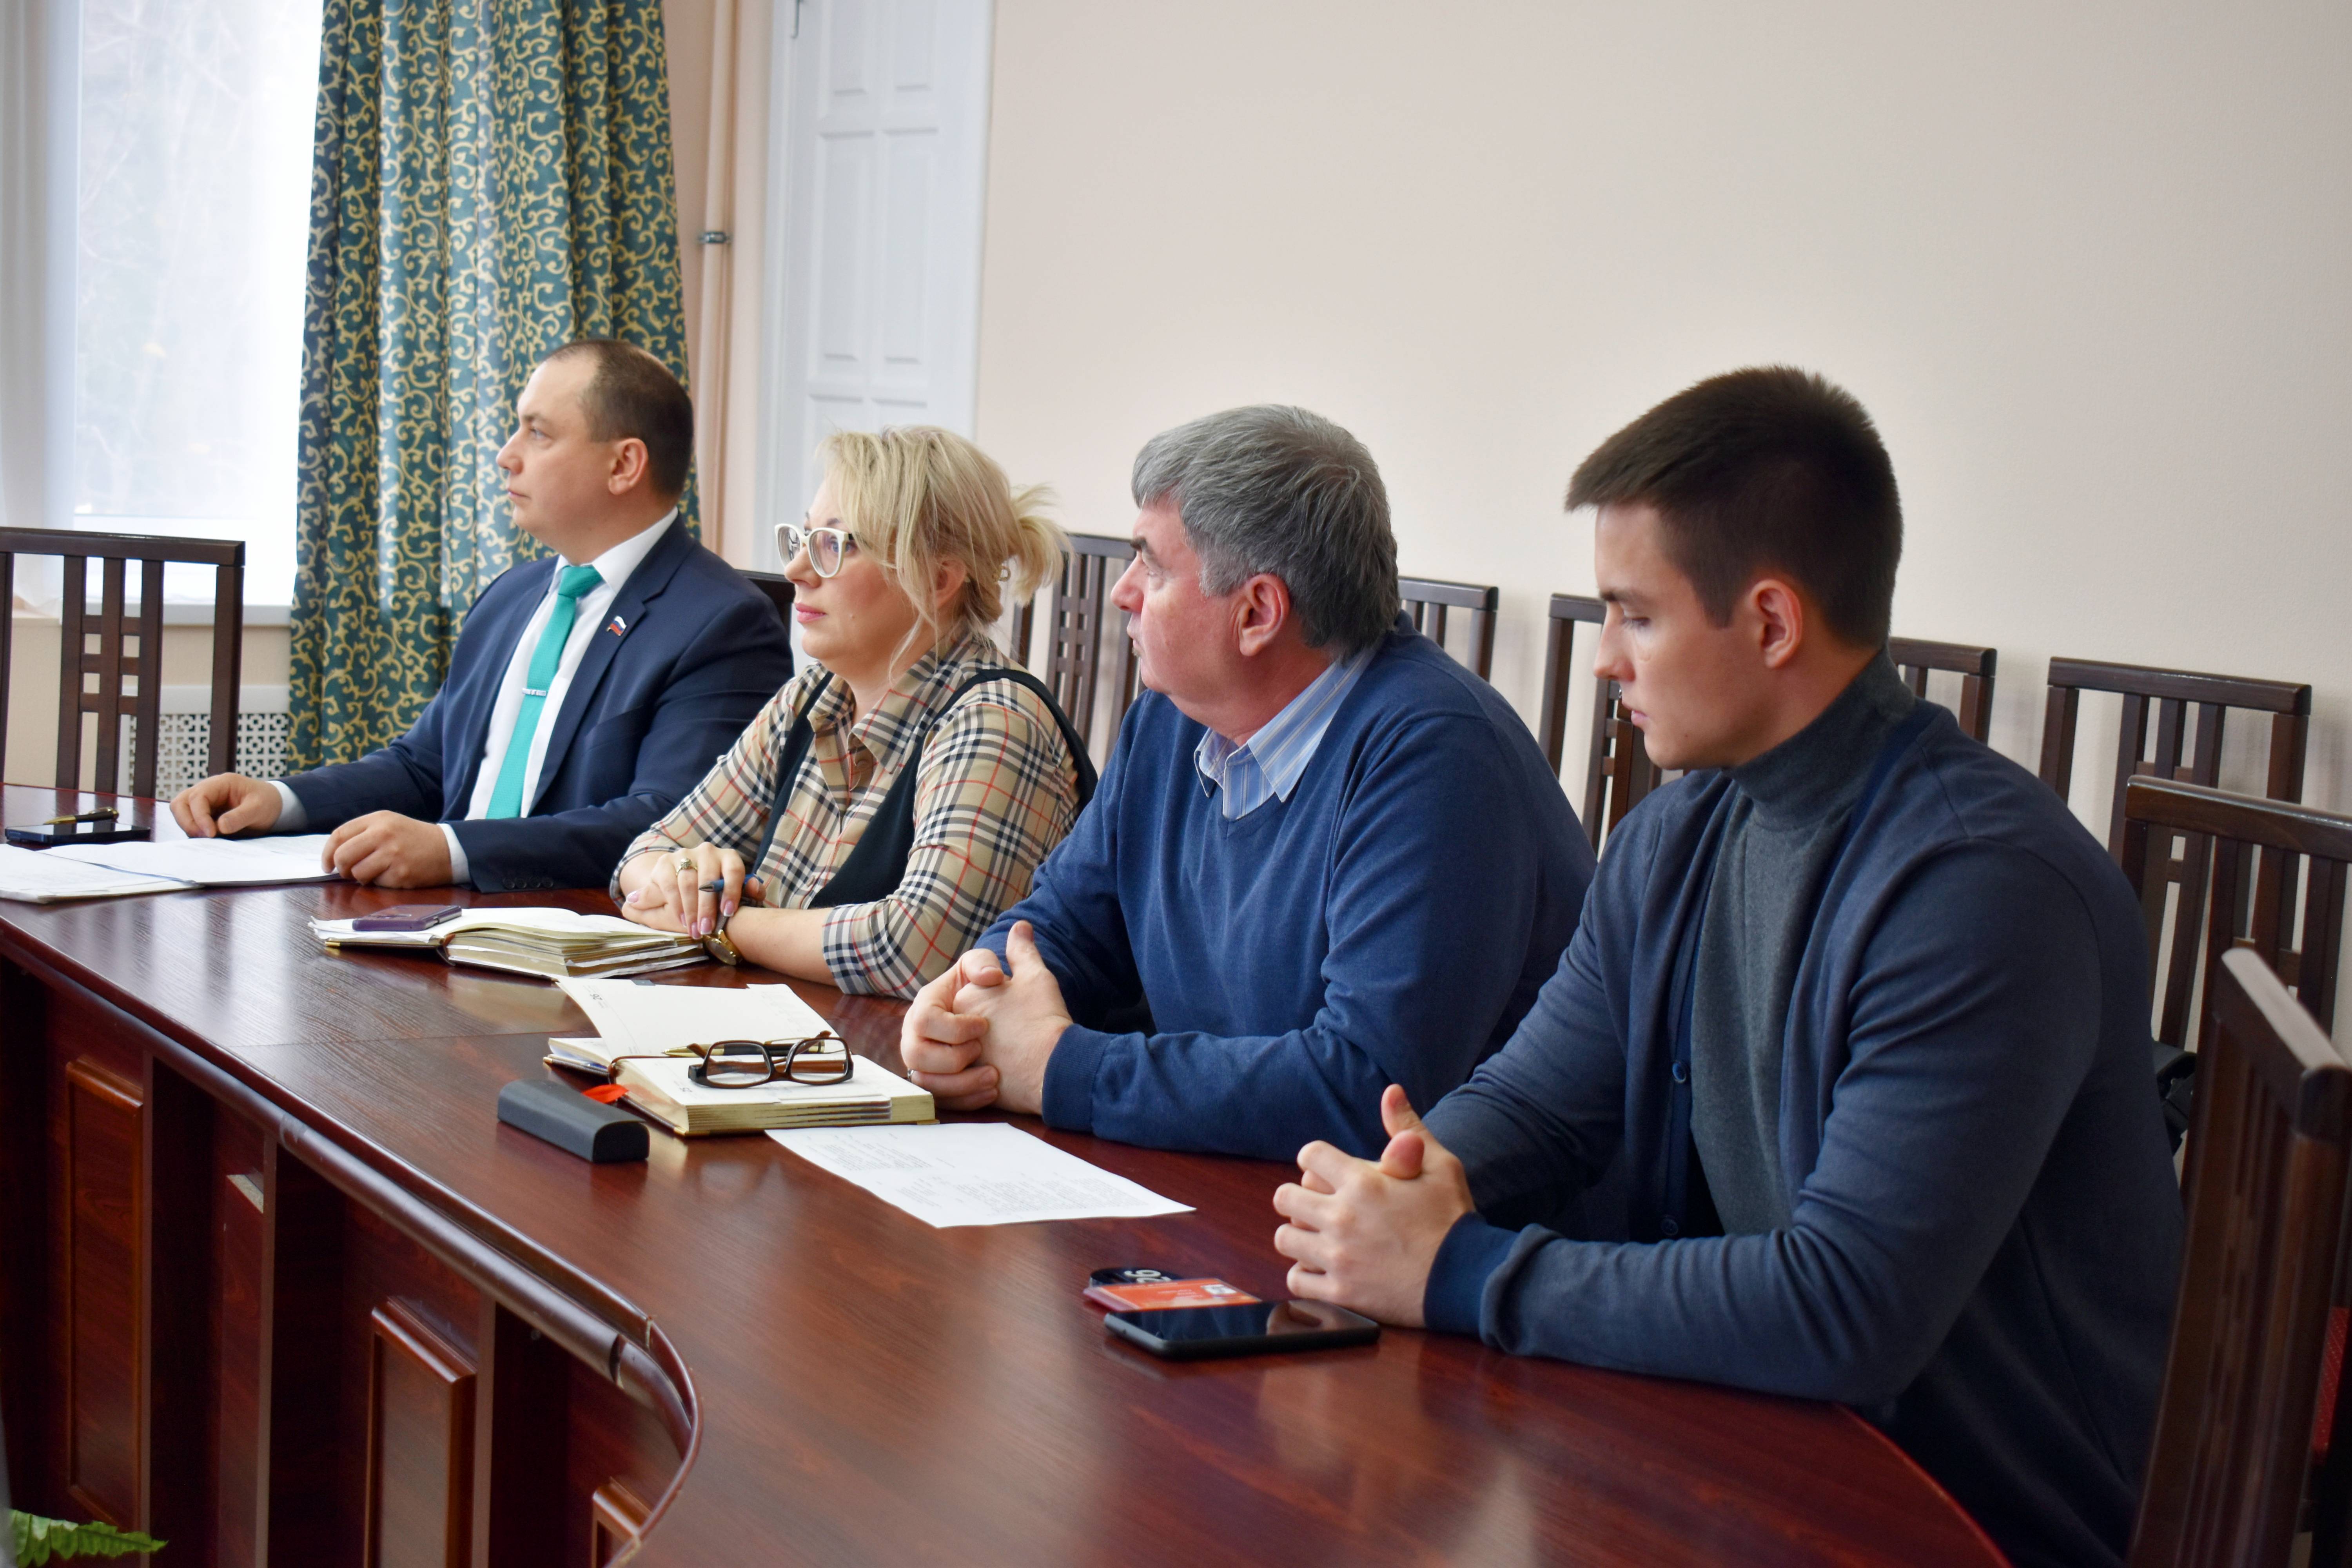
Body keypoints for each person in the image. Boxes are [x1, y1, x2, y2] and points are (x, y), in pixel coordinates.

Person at [1268, 368, 2183, 1568]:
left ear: (1771, 623)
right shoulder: (1680, 832)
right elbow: (1540, 1100)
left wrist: (1456, 1269)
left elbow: (1845, 1309)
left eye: (1634, 615)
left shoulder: (1980, 888)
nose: (1605, 659)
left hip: (1972, 1517)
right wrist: (1413, 1181)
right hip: (1748, 1449)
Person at [899, 405, 1596, 1160]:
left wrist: (1062, 1070)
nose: (1122, 592)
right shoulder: (1172, 719)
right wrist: (975, 1001)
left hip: (1438, 1221)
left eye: (1152, 567)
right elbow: (1065, 927)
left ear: (1258, 611)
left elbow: (1368, 1088)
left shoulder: (1438, 756)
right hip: (1232, 1181)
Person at [170, 340, 794, 893]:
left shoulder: (724, 625)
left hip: (568, 940)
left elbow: (668, 824)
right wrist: (281, 800)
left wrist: (453, 851)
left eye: (538, 434)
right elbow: (425, 766)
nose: (505, 455)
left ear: (623, 465)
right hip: (442, 925)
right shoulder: (511, 595)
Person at [610, 427, 1090, 999]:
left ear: (938, 579)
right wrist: (686, 880)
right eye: (802, 538)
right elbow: (643, 857)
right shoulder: (811, 697)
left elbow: (915, 950)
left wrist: (717, 922)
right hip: (792, 1040)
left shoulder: (997, 721)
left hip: (891, 1057)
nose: (796, 570)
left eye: (834, 545)